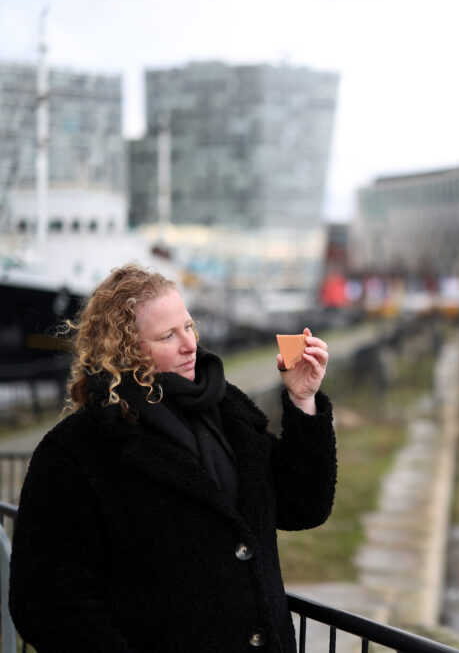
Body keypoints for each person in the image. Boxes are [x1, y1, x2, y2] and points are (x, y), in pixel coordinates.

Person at [9, 264, 337, 652]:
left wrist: (303, 402)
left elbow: (304, 507)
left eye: (188, 326)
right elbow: (46, 599)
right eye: (168, 335)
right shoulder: (76, 451)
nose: (190, 344)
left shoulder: (229, 411)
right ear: (126, 351)